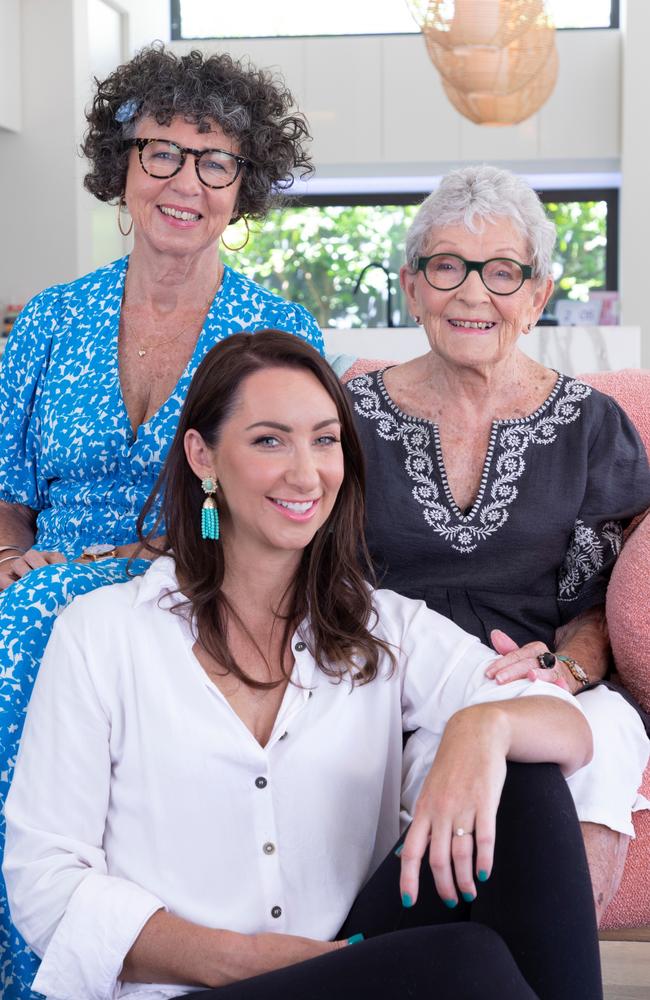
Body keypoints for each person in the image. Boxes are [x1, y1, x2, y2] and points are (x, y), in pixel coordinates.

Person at [3, 330, 601, 1000]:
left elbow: (565, 723)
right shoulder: (104, 633)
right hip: (194, 987)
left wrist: (480, 731)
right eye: (269, 440)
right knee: (466, 965)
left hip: (345, 961)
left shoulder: (378, 624)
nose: (306, 472)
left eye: (324, 440)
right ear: (204, 456)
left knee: (522, 770)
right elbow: (43, 885)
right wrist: (249, 960)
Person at [0, 45, 326, 999]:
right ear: (122, 165)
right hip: (41, 589)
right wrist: (11, 558)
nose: (187, 182)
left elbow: (288, 504)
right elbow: (9, 496)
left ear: (244, 183)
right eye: (162, 153)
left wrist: (154, 558)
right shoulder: (52, 321)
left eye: (215, 160)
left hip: (203, 579)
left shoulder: (276, 331)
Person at [344, 164, 650, 923]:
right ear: (413, 288)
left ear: (538, 295)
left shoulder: (590, 425)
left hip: (537, 683)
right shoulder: (346, 414)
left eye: (503, 272)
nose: (473, 293)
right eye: (447, 267)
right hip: (387, 682)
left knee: (579, 747)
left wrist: (569, 667)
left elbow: (596, 605)